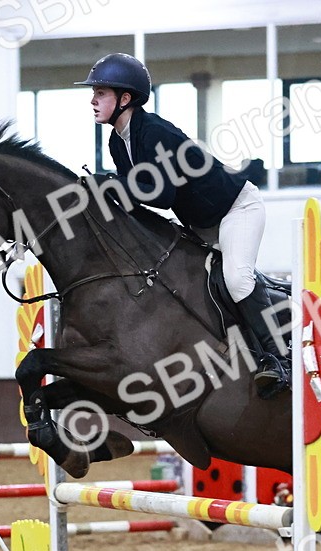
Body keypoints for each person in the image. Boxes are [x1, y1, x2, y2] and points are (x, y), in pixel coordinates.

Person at [76, 53, 290, 398]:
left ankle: (281, 359)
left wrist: (110, 183)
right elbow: (134, 198)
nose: (93, 100)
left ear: (125, 98)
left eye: (100, 93)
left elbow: (161, 195)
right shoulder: (118, 141)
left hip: (237, 209)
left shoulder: (154, 132)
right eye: (94, 93)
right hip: (201, 224)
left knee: (237, 279)